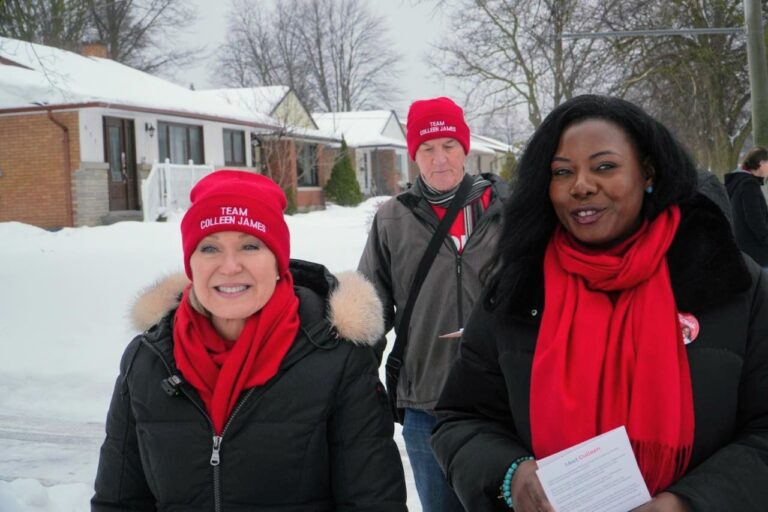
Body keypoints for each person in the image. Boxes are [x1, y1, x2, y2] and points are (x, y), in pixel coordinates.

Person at [431, 95, 768, 511]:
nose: (582, 185)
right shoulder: (517, 290)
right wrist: (511, 474)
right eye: (562, 172)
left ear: (647, 172)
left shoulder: (733, 284)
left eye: (604, 166)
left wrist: (687, 503)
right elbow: (459, 420)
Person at [92, 170, 407, 511]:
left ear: (277, 261)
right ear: (191, 262)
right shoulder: (147, 360)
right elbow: (119, 501)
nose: (229, 266)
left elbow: (373, 503)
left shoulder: (337, 359)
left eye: (250, 245)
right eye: (210, 247)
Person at [358, 96, 509, 511]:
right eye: (427, 148)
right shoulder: (392, 218)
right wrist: (353, 385)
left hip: (501, 399)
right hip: (426, 402)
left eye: (448, 145)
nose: (439, 159)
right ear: (414, 156)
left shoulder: (506, 212)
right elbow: (369, 310)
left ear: (465, 147)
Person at [725, 147, 768, 267]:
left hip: (745, 252)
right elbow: (755, 220)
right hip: (757, 254)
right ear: (761, 163)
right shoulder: (749, 185)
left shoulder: (739, 182)